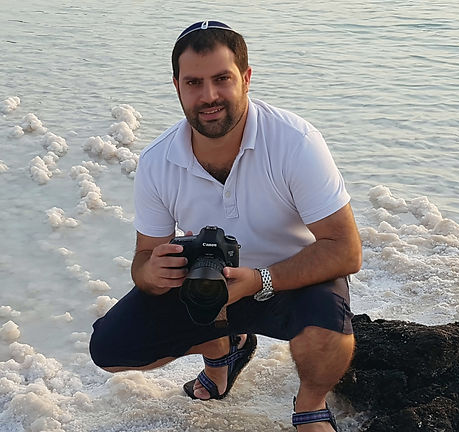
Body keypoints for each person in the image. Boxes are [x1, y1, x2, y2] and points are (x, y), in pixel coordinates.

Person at [89, 20, 361, 432]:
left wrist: (259, 279)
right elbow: (143, 260)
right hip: (205, 286)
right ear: (177, 86)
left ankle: (309, 405)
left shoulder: (294, 142)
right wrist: (151, 271)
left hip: (291, 280)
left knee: (326, 335)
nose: (209, 96)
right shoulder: (157, 161)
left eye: (222, 79)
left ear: (246, 78)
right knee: (111, 348)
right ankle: (224, 352)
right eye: (194, 82)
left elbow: (345, 250)